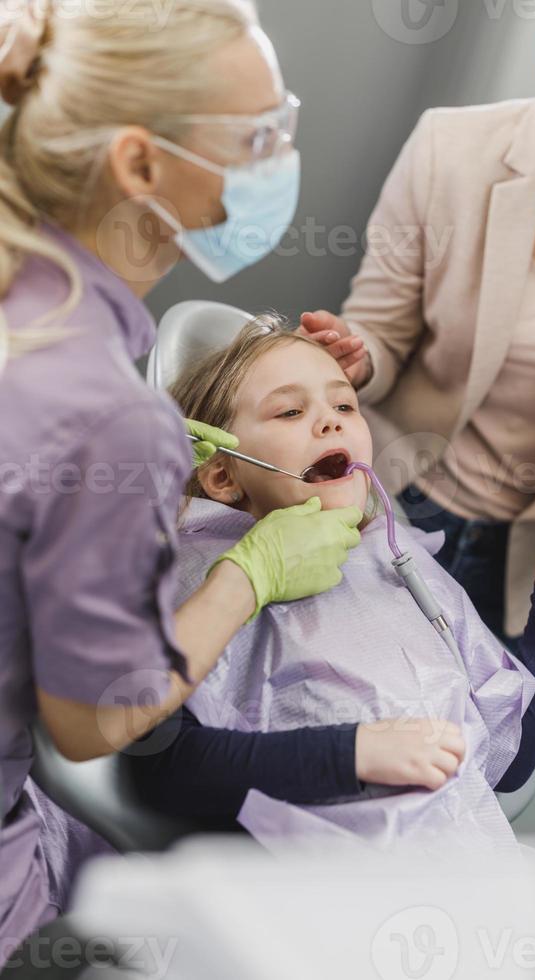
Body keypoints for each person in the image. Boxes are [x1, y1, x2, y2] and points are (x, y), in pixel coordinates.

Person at [0, 0, 453, 963]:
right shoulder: (110, 422)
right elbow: (93, 723)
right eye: (256, 137)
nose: (275, 160)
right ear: (139, 166)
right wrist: (248, 573)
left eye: (338, 403)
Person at [126, 316, 535, 850]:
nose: (331, 423)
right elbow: (163, 771)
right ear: (223, 476)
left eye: (345, 405)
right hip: (319, 897)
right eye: (289, 410)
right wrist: (355, 755)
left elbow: (505, 766)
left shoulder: (402, 565)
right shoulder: (204, 578)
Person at [300, 0, 535, 650]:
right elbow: (381, 327)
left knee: (477, 736)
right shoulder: (451, 148)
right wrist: (356, 358)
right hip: (385, 494)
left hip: (528, 550)